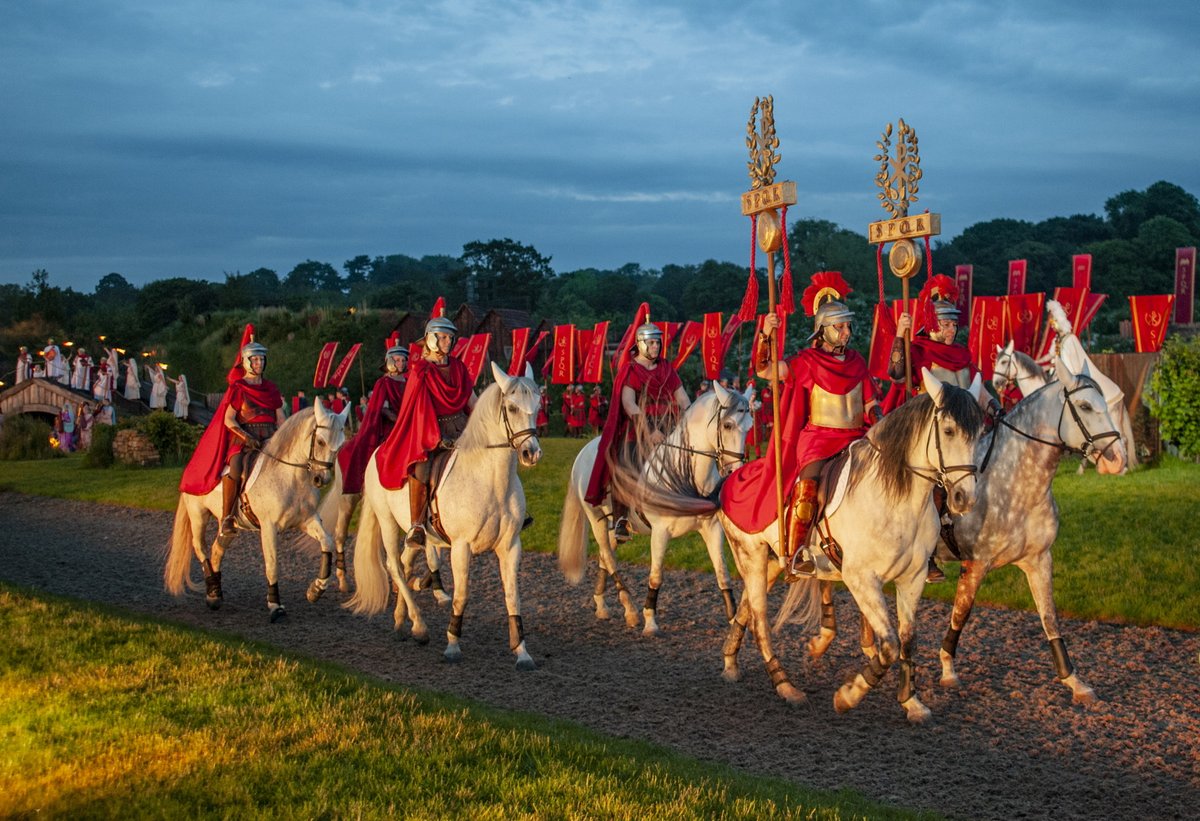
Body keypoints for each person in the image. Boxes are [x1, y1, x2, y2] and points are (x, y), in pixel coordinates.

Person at [719, 272, 879, 582]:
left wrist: (884, 427)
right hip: (819, 439)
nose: (847, 332)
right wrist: (766, 334)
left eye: (848, 326)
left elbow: (872, 405)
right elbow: (765, 370)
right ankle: (797, 552)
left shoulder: (858, 362)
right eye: (840, 326)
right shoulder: (806, 361)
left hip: (857, 437)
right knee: (808, 489)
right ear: (823, 330)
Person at [374, 315, 477, 548]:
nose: (447, 342)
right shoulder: (420, 370)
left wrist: (483, 424)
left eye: (450, 338)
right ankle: (417, 525)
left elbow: (472, 400)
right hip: (431, 431)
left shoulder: (459, 367)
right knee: (422, 467)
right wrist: (436, 438)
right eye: (442, 337)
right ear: (430, 339)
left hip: (462, 427)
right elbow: (416, 410)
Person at [585, 320, 691, 542]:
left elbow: (682, 398)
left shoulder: (666, 368)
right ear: (641, 344)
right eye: (652, 343)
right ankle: (621, 519)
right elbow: (629, 404)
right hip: (637, 429)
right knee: (626, 466)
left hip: (668, 425)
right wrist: (649, 431)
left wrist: (691, 416)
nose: (656, 347)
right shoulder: (631, 370)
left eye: (658, 342)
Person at [179, 326, 285, 545]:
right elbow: (229, 419)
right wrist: (246, 437)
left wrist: (283, 437)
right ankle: (228, 517)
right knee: (236, 466)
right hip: (244, 439)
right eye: (255, 360)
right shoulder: (239, 388)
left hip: (270, 437)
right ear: (246, 362)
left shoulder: (271, 389)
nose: (259, 364)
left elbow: (281, 417)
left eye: (261, 360)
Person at [337, 338, 410, 497]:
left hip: (409, 424)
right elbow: (382, 410)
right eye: (397, 360)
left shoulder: (409, 381)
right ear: (389, 361)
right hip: (390, 428)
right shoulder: (383, 383)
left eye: (404, 360)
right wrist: (400, 421)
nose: (401, 363)